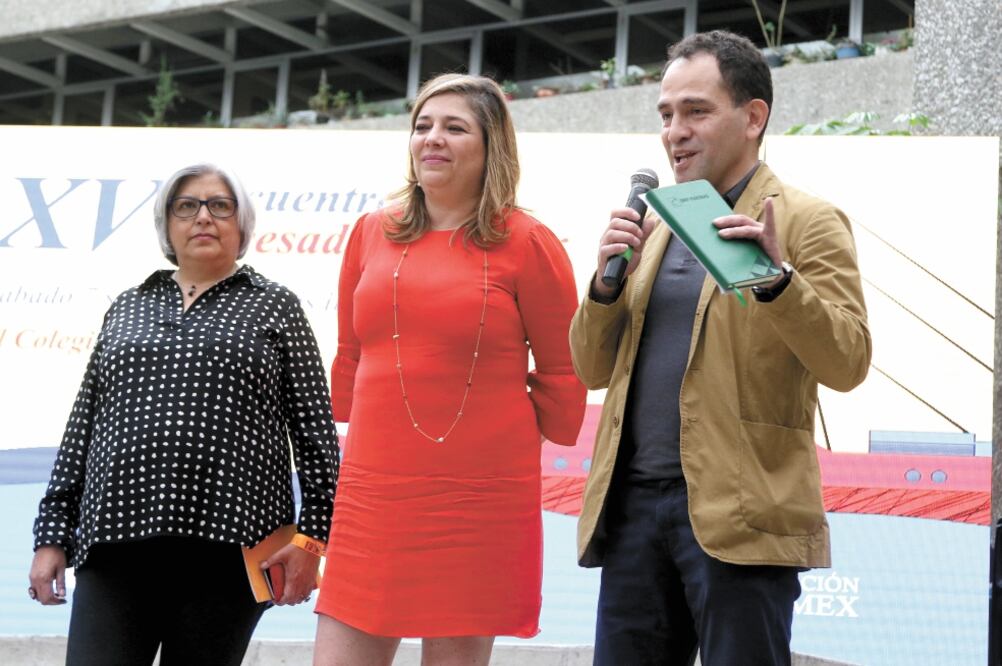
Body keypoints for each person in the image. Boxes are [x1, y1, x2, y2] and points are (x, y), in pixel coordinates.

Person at [569, 31, 871, 665]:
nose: (676, 130)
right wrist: (602, 287)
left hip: (742, 518)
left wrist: (780, 285)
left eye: (696, 111)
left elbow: (848, 361)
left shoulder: (806, 220)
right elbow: (590, 368)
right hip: (631, 514)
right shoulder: (651, 226)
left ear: (753, 117)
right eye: (666, 114)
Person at [313, 73, 586, 666]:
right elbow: (351, 357)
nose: (432, 139)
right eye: (422, 126)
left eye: (454, 127)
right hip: (374, 489)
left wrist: (498, 436)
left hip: (478, 495)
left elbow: (565, 370)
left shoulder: (527, 241)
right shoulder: (369, 233)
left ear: (491, 146)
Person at [28, 163, 340, 666]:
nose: (203, 217)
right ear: (167, 225)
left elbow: (316, 440)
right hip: (115, 543)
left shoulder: (275, 306)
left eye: (220, 206)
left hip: (230, 549)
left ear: (243, 226)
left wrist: (311, 542)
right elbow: (84, 426)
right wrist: (51, 538)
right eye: (186, 206)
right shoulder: (127, 307)